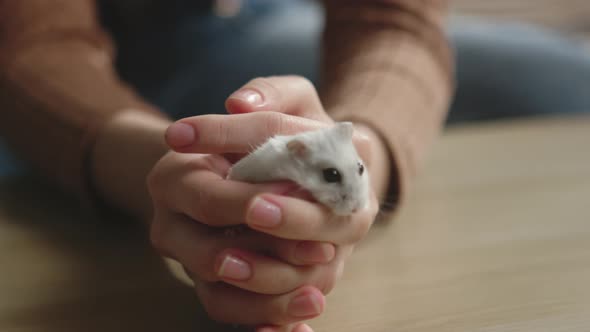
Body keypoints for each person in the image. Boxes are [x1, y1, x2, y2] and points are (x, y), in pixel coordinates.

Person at [0, 1, 589, 332]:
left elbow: (395, 21)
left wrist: (370, 147)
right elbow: (34, 47)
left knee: (568, 80)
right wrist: (147, 163)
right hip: (69, 63)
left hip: (234, 27)